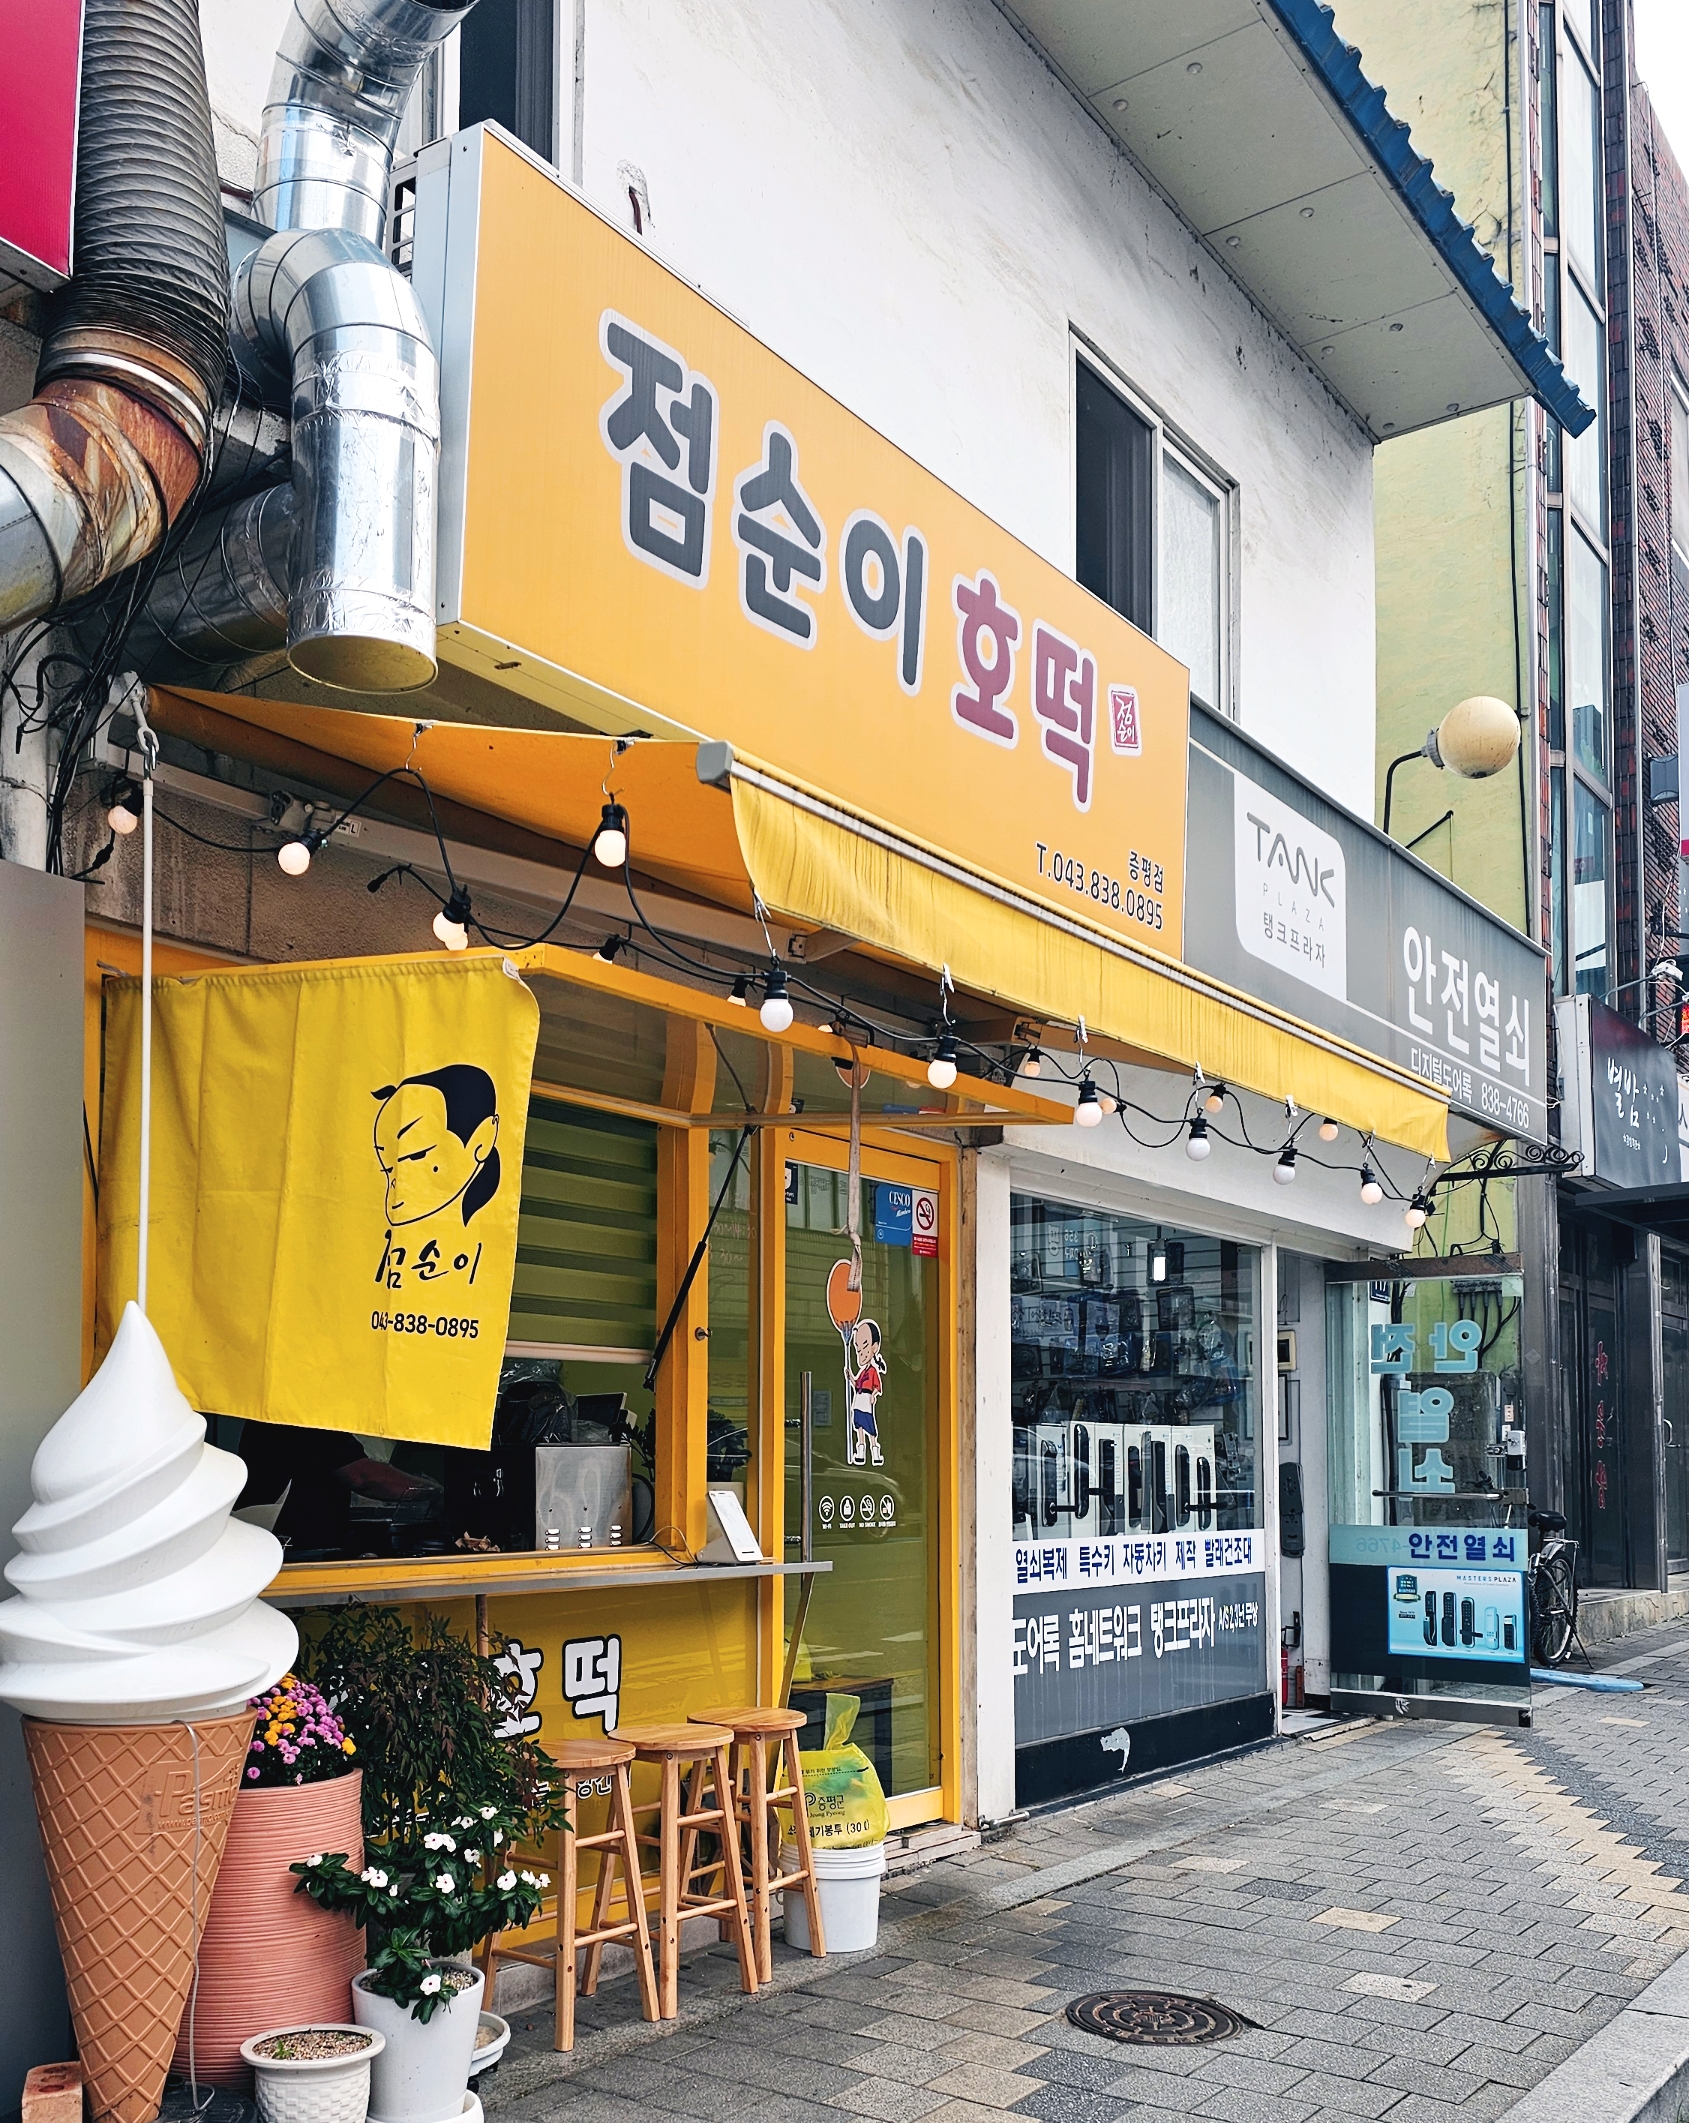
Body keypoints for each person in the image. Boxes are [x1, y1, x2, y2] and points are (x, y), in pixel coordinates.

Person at [234, 1421, 437, 1556]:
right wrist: (435, 1491)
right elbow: (363, 1477)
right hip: (293, 1549)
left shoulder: (275, 1415)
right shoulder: (301, 1419)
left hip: (274, 1544)